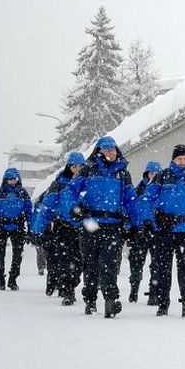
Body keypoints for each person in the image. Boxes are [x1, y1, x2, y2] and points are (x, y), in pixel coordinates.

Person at [63, 136, 137, 317]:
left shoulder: (123, 174)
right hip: (90, 222)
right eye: (107, 149)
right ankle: (90, 300)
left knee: (110, 264)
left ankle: (110, 300)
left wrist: (136, 224)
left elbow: (131, 201)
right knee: (90, 263)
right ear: (99, 151)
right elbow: (69, 192)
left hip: (113, 224)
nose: (111, 152)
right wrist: (73, 209)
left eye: (113, 149)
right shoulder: (87, 170)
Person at [140, 145, 185, 318]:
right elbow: (147, 199)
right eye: (179, 158)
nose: (182, 161)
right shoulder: (162, 177)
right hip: (164, 231)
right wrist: (150, 219)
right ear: (173, 160)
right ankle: (163, 304)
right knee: (164, 268)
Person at [29, 152, 86, 306]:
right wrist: (37, 230)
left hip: (81, 227)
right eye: (75, 166)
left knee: (80, 261)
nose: (78, 169)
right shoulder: (58, 184)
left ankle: (71, 283)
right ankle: (67, 290)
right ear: (69, 167)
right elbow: (45, 208)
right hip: (63, 227)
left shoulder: (87, 183)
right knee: (65, 260)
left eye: (81, 166)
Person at [0, 168, 33, 291]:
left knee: (18, 254)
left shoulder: (23, 193)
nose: (12, 182)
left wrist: (31, 226)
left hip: (18, 226)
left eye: (14, 179)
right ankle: (0, 279)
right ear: (5, 179)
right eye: (10, 179)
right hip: (1, 226)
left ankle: (13, 279)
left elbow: (29, 211)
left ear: (18, 179)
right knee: (0, 254)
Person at [127, 161, 161, 304]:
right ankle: (134, 289)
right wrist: (130, 228)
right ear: (146, 174)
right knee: (136, 263)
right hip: (139, 232)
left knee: (157, 264)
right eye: (151, 173)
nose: (153, 176)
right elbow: (129, 210)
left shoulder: (162, 192)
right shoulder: (137, 191)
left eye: (156, 174)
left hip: (156, 232)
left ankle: (153, 293)